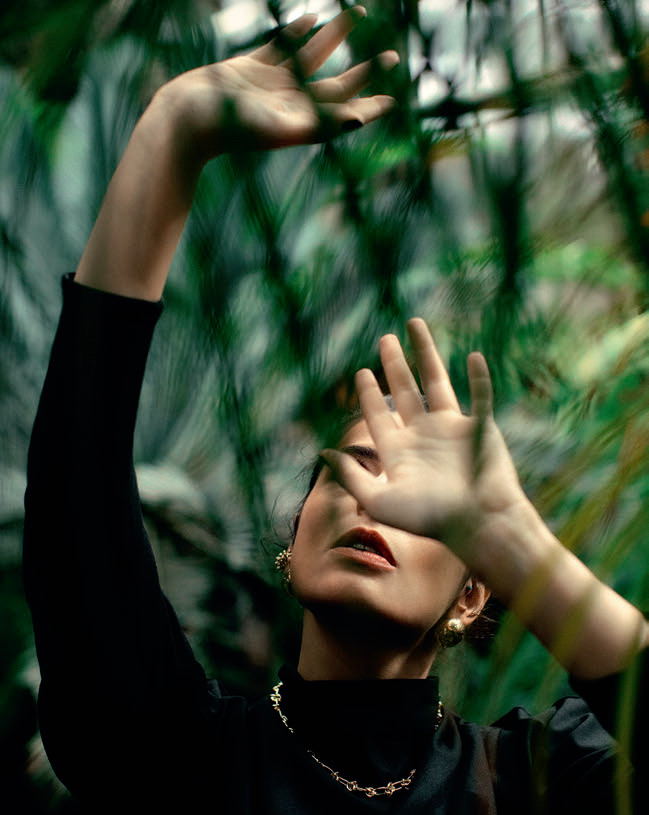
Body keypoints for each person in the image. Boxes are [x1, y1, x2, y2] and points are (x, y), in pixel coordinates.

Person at [23, 6, 648, 814]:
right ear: (291, 548)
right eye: (352, 468)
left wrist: (508, 536)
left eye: (426, 502)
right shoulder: (181, 755)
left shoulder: (540, 782)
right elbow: (78, 497)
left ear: (471, 596)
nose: (374, 498)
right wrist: (168, 135)